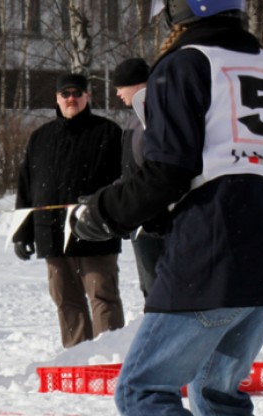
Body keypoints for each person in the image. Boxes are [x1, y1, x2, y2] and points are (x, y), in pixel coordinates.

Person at [69, 1, 263, 416]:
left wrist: (101, 213)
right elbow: (232, 167)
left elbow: (168, 171)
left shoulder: (186, 62)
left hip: (216, 251)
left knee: (141, 391)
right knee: (214, 393)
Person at [11, 72, 125, 349]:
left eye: (77, 93)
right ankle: (76, 358)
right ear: (57, 98)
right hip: (50, 232)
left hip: (96, 230)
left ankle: (110, 357)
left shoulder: (109, 132)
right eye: (66, 94)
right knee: (66, 300)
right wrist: (21, 232)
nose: (71, 99)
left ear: (87, 96)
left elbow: (124, 182)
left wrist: (120, 219)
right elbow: (26, 186)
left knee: (103, 296)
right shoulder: (40, 137)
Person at [112, 57, 165, 299]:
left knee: (162, 292)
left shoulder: (159, 112)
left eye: (120, 87)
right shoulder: (134, 117)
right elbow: (131, 170)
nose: (117, 93)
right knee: (150, 289)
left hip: (159, 219)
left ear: (137, 85)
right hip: (141, 218)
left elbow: (158, 170)